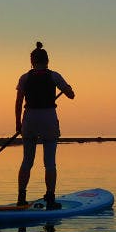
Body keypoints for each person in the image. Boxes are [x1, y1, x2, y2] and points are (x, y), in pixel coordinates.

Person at [15, 42, 75, 210]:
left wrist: (18, 124)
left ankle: (21, 197)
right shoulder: (55, 76)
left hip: (29, 120)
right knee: (50, 163)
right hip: (48, 118)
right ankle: (50, 198)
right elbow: (71, 95)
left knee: (27, 161)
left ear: (32, 61)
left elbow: (19, 102)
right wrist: (68, 89)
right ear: (47, 60)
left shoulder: (25, 77)